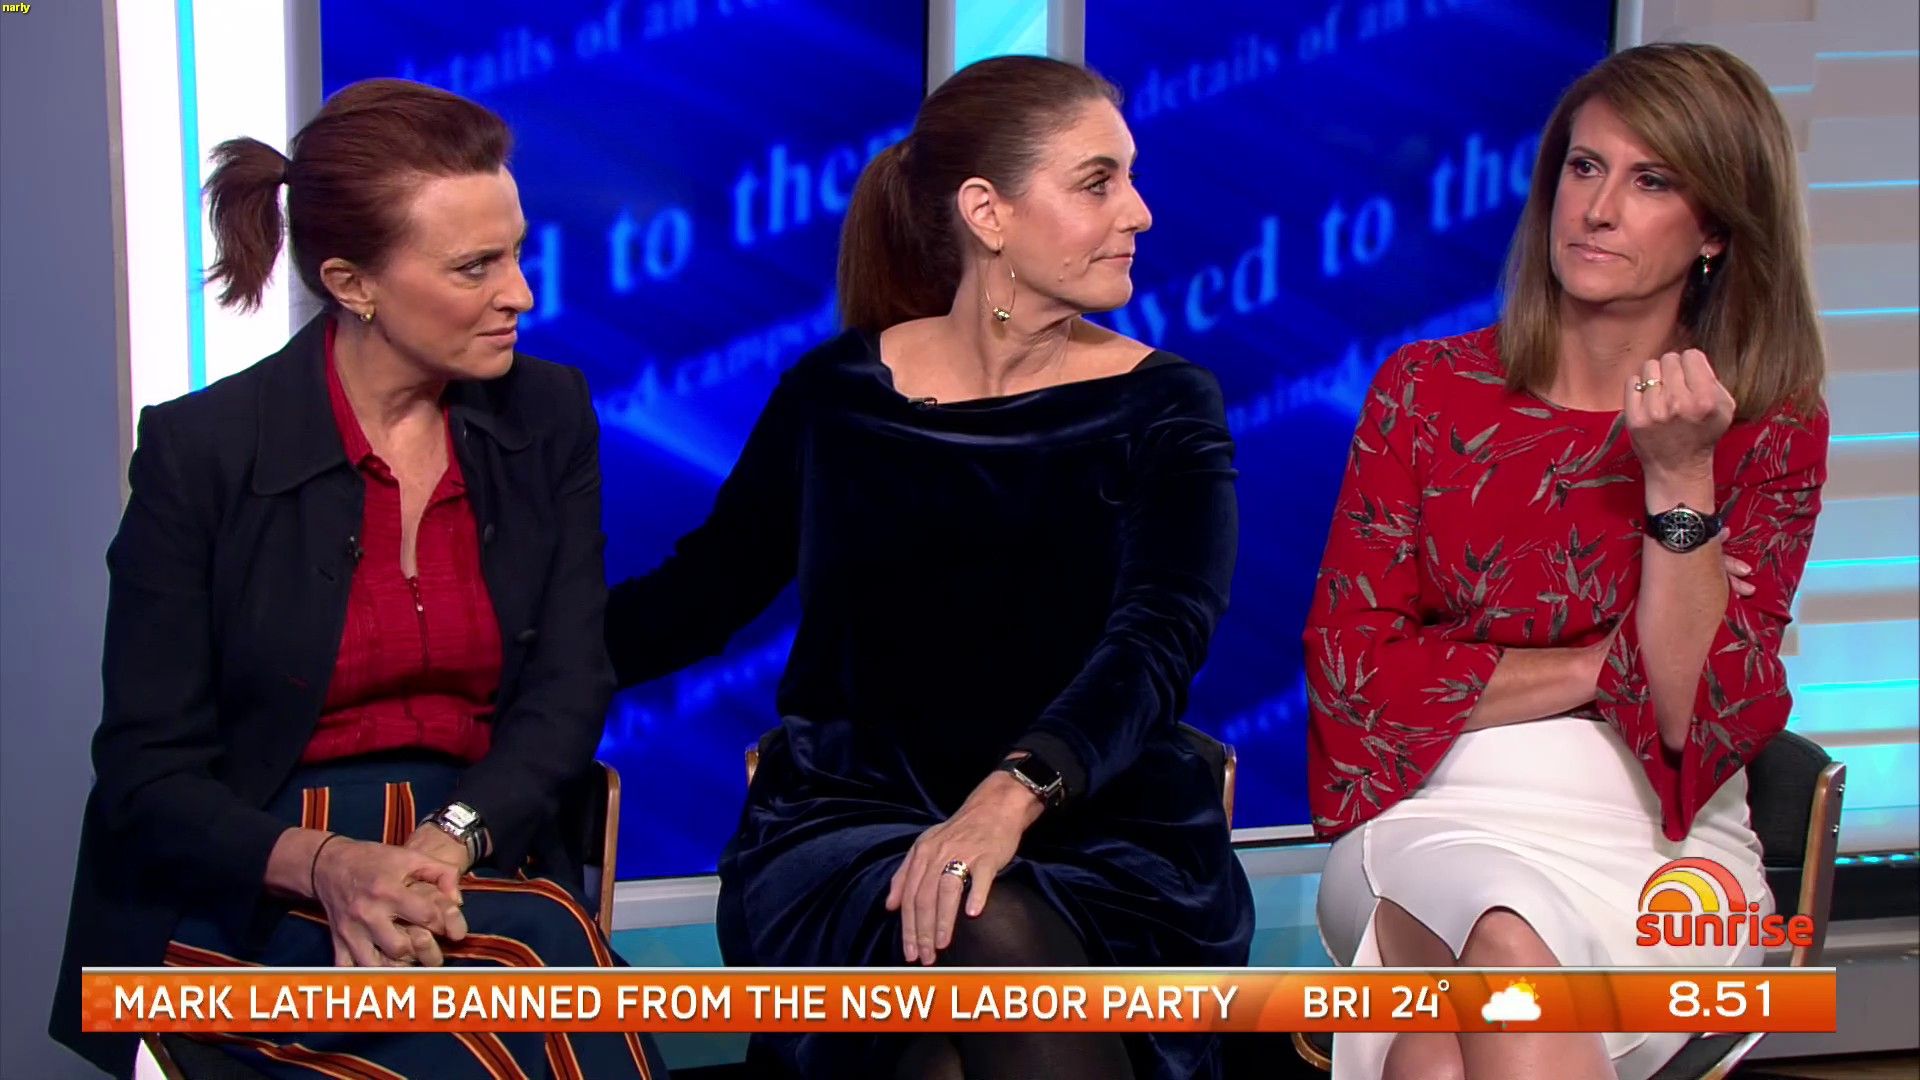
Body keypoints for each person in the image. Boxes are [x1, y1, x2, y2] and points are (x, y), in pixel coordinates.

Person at [606, 55, 1253, 1080]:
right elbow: (697, 598)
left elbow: (1160, 636)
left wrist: (1011, 795)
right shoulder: (836, 395)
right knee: (965, 917)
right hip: (852, 822)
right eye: (1098, 183)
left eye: (1129, 178)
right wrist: (492, 668)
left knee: (966, 971)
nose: (1139, 212)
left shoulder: (1165, 404)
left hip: (1100, 832)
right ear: (987, 213)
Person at [49, 79, 664, 1079]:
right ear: (353, 283)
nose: (521, 294)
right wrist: (330, 867)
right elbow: (145, 771)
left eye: (517, 252)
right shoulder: (204, 451)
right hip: (247, 881)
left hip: (471, 849)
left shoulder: (547, 414)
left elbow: (568, 687)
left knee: (543, 980)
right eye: (476, 267)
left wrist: (448, 843)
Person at [1305, 42, 1828, 1080]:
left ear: (1715, 230)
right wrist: (1603, 663)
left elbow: (1689, 717)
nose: (1598, 209)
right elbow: (1355, 679)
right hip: (1435, 810)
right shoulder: (1427, 392)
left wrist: (1679, 478)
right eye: (1585, 168)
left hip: (1663, 847)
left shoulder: (1768, 427)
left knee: (1441, 1053)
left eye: (1652, 181)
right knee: (1507, 936)